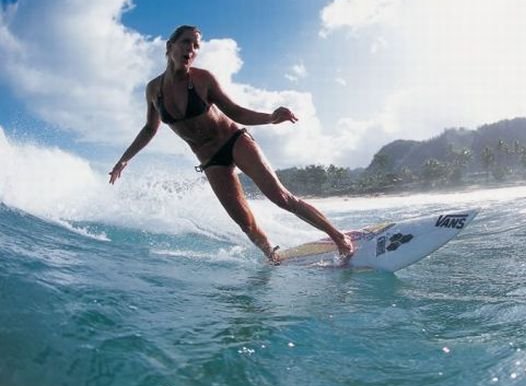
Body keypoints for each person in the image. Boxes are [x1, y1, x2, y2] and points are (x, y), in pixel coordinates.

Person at [109, 25, 354, 264]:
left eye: (196, 45)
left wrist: (270, 118)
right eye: (186, 42)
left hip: (234, 140)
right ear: (170, 46)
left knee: (280, 197)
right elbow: (150, 128)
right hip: (209, 159)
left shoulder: (203, 79)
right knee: (243, 221)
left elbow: (235, 111)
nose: (191, 49)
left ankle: (339, 236)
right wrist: (125, 158)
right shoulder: (154, 89)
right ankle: (272, 255)